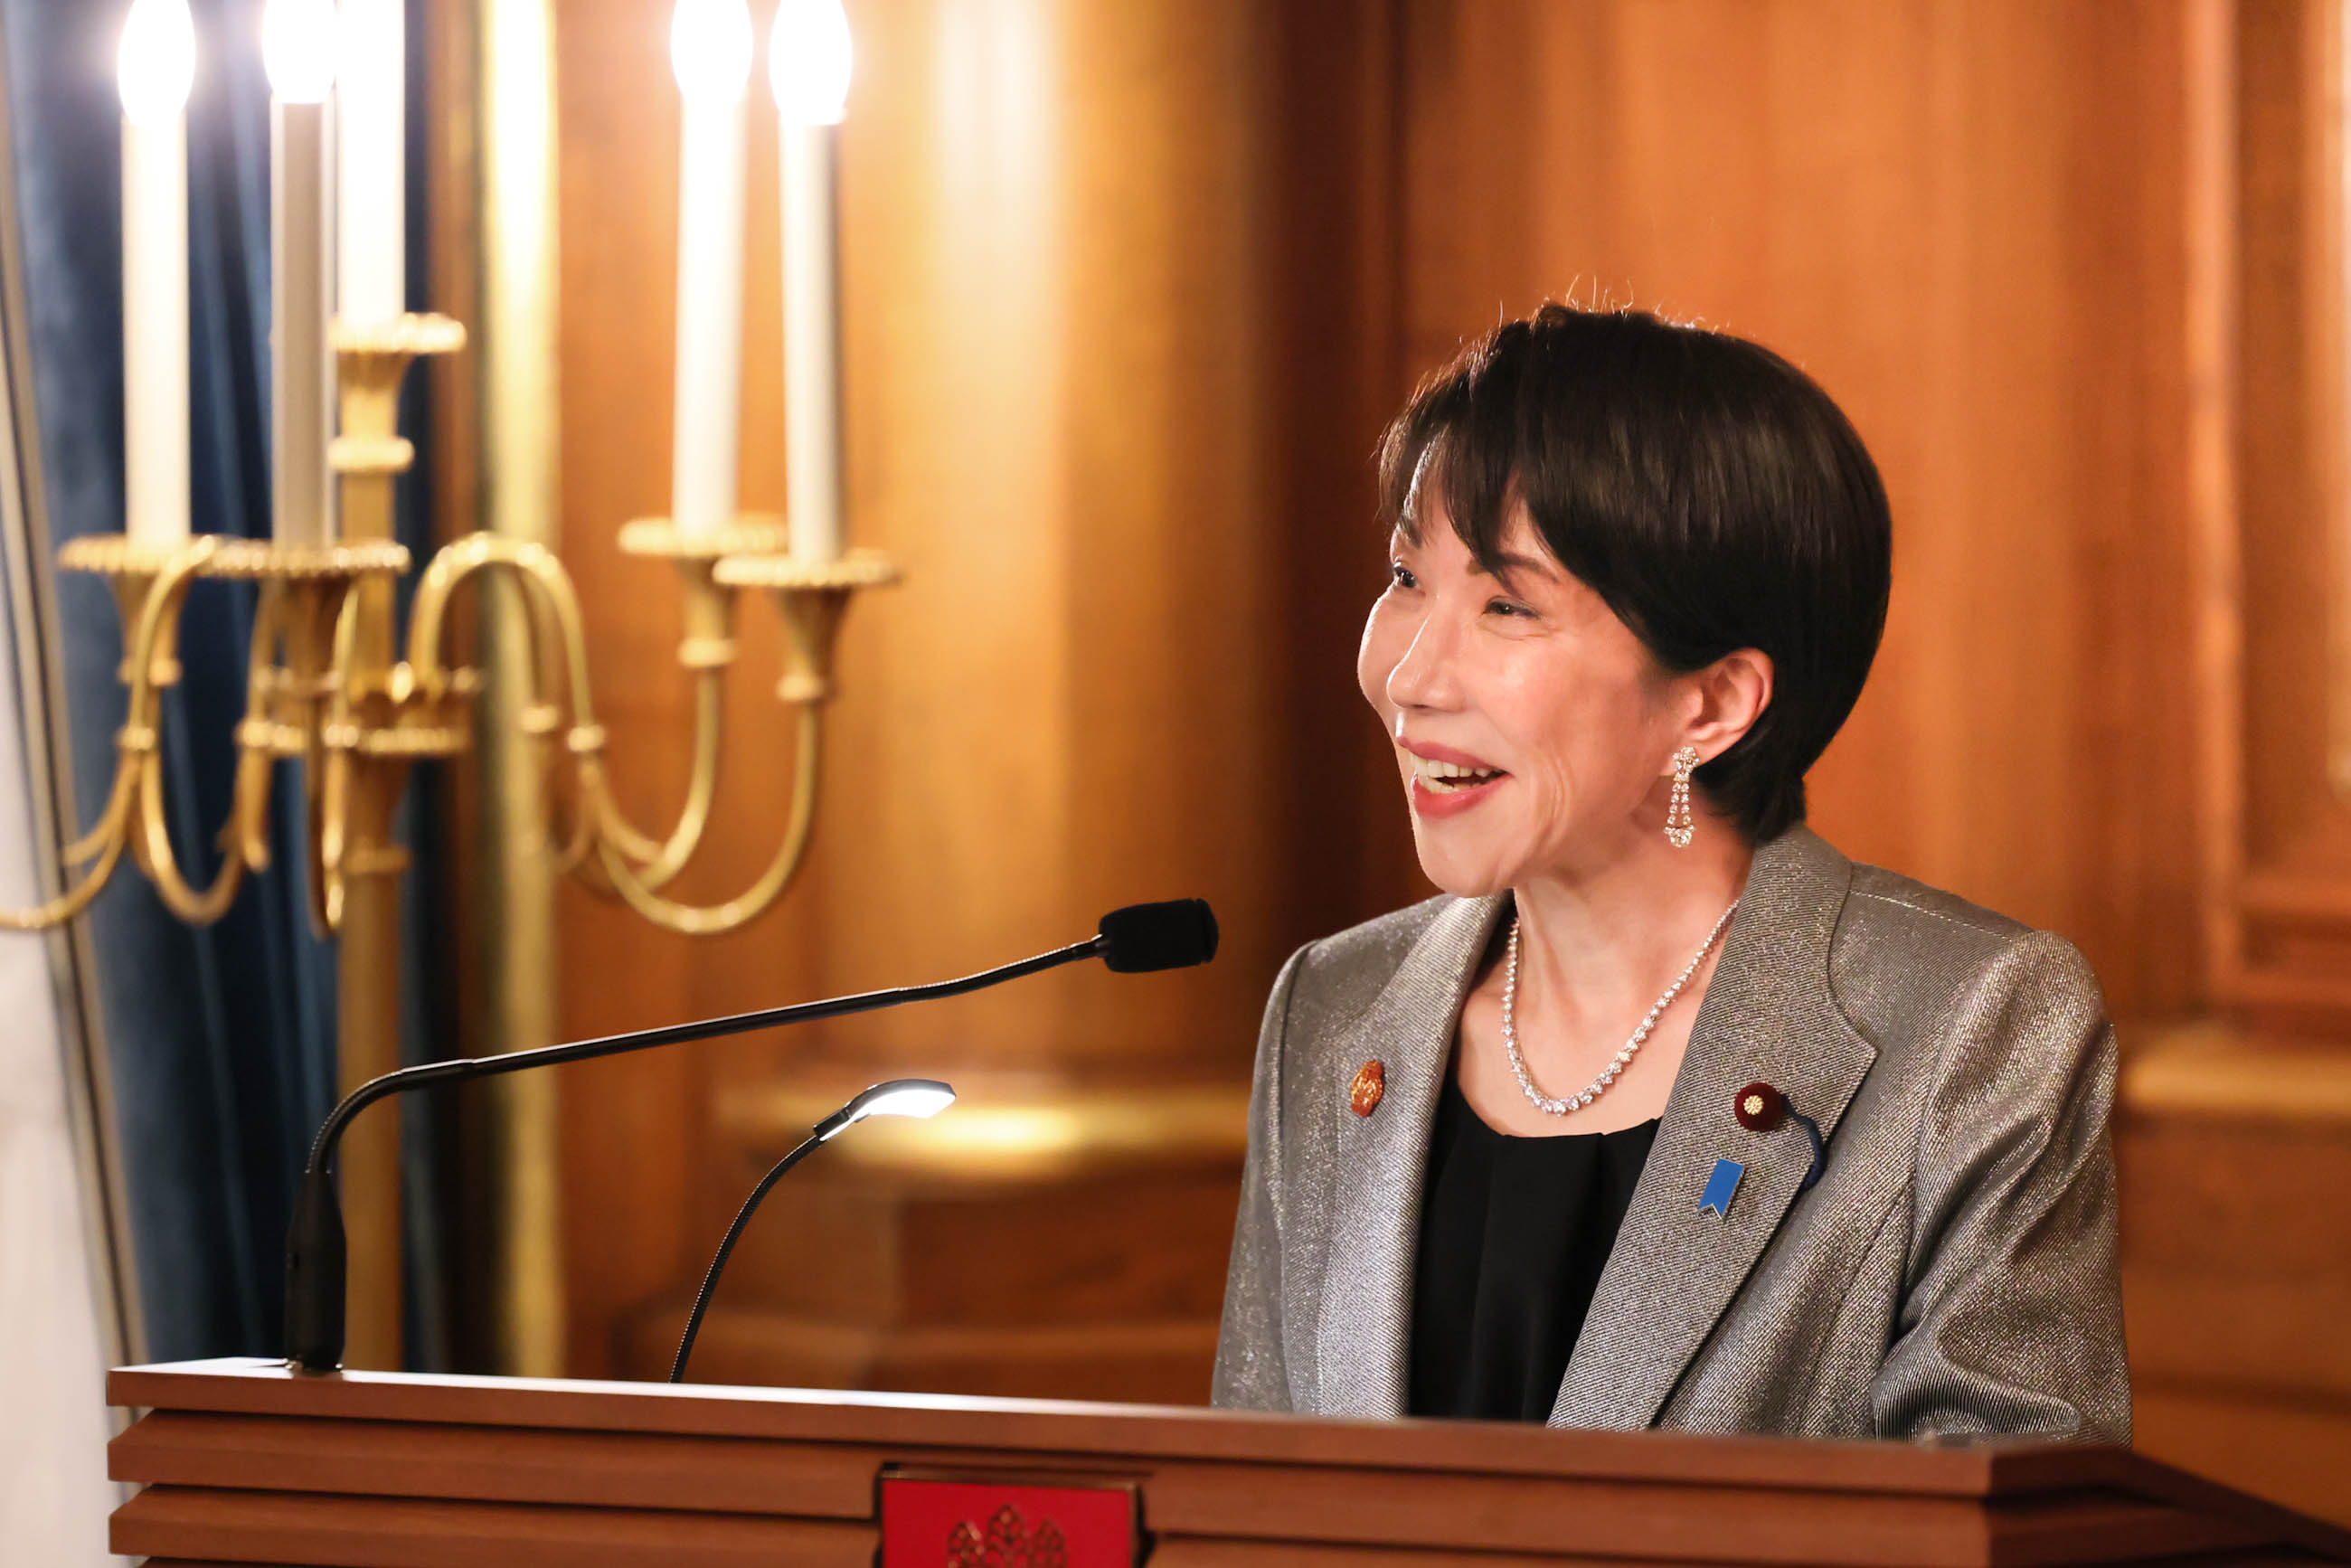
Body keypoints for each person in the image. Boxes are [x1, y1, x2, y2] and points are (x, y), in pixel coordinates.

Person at [1211, 305, 2129, 1440]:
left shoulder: (1967, 1028)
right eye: (1405, 577)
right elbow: (1247, 1493)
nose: (1407, 677)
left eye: (1505, 604)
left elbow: (2000, 1513)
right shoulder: (1334, 1009)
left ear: (1712, 703)